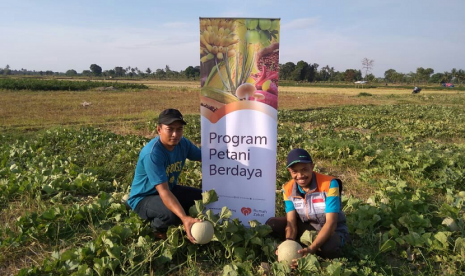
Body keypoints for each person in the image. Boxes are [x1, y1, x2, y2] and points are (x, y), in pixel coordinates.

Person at [127, 108, 202, 243]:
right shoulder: (152, 154)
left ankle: (180, 217)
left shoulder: (183, 143)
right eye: (170, 129)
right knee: (171, 214)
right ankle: (157, 231)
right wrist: (184, 218)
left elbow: (205, 157)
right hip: (144, 197)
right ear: (159, 129)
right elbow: (164, 192)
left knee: (202, 197)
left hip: (170, 189)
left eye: (179, 129)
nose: (175, 134)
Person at [266, 148, 349, 262]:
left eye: (304, 169)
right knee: (272, 224)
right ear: (290, 171)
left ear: (312, 167)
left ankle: (313, 249)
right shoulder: (287, 189)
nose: (300, 175)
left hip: (332, 231)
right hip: (307, 227)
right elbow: (291, 223)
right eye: (295, 171)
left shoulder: (330, 184)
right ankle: (299, 248)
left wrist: (312, 248)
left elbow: (331, 223)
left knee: (328, 247)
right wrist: (288, 245)